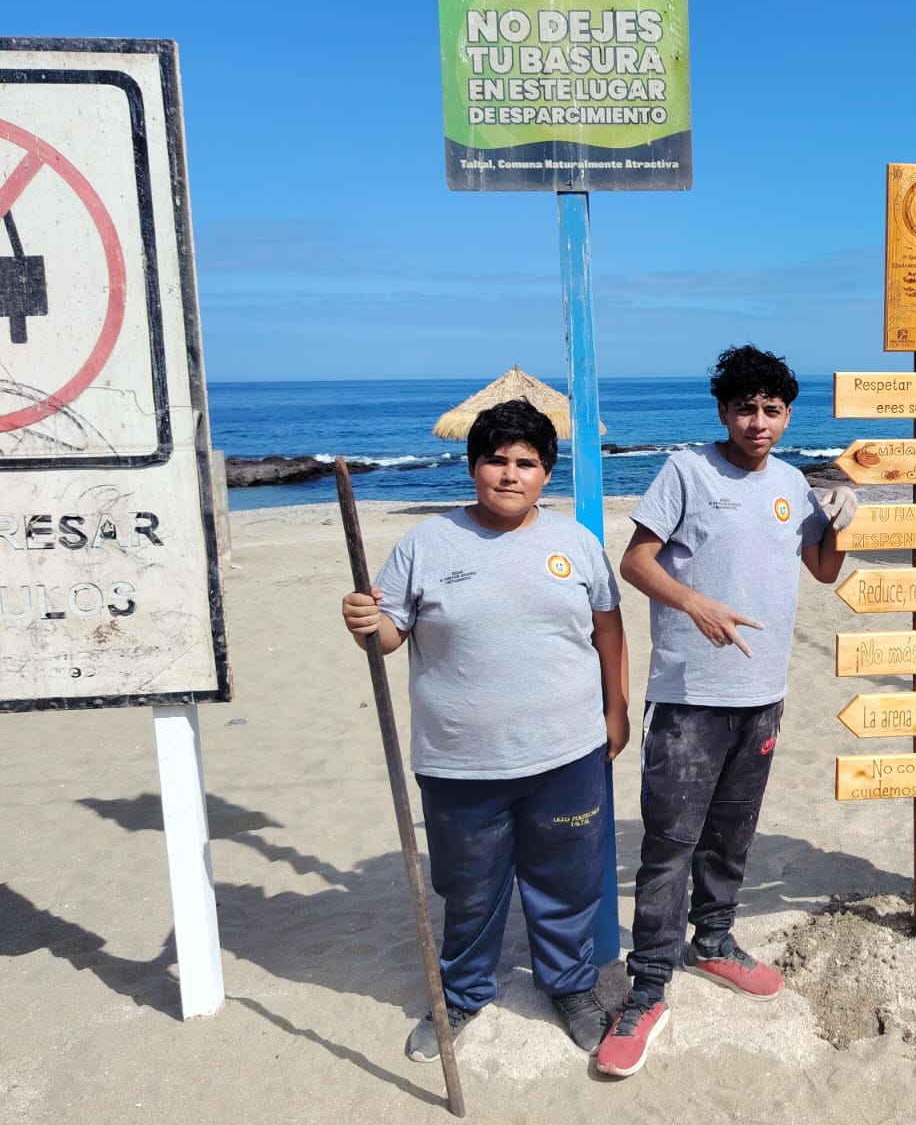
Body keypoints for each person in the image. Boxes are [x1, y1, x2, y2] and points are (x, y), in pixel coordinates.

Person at [340, 399, 630, 1062]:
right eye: (495, 460)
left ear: (545, 473)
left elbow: (607, 626)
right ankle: (464, 993)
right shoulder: (425, 545)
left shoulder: (576, 544)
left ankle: (570, 984)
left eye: (525, 462)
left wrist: (616, 707)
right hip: (458, 760)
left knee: (567, 881)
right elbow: (388, 636)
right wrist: (364, 620)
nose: (509, 474)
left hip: (567, 752)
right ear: (472, 467)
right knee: (470, 888)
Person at [594, 344, 856, 1078]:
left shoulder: (794, 483)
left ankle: (713, 940)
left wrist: (839, 521)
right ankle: (647, 985)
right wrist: (695, 604)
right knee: (669, 840)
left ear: (787, 414)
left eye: (772, 410)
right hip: (688, 694)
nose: (759, 422)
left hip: (762, 693)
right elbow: (636, 561)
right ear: (722, 411)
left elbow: (825, 570)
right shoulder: (686, 470)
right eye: (746, 408)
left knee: (732, 832)